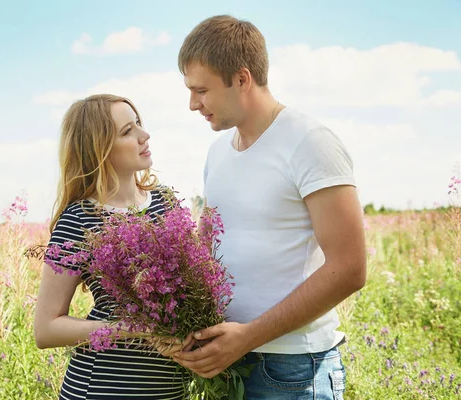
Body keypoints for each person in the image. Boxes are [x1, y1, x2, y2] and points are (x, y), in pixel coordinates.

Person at [171, 15, 367, 400]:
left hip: (293, 371)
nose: (193, 104)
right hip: (227, 364)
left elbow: (350, 269)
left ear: (242, 79)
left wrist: (247, 337)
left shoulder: (310, 142)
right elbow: (206, 253)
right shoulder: (217, 153)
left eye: (202, 90)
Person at [33, 94, 186, 400]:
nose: (145, 135)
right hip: (102, 388)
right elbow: (46, 329)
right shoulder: (78, 220)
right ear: (100, 150)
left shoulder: (167, 203)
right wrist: (135, 328)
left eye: (139, 124)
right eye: (128, 131)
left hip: (168, 390)